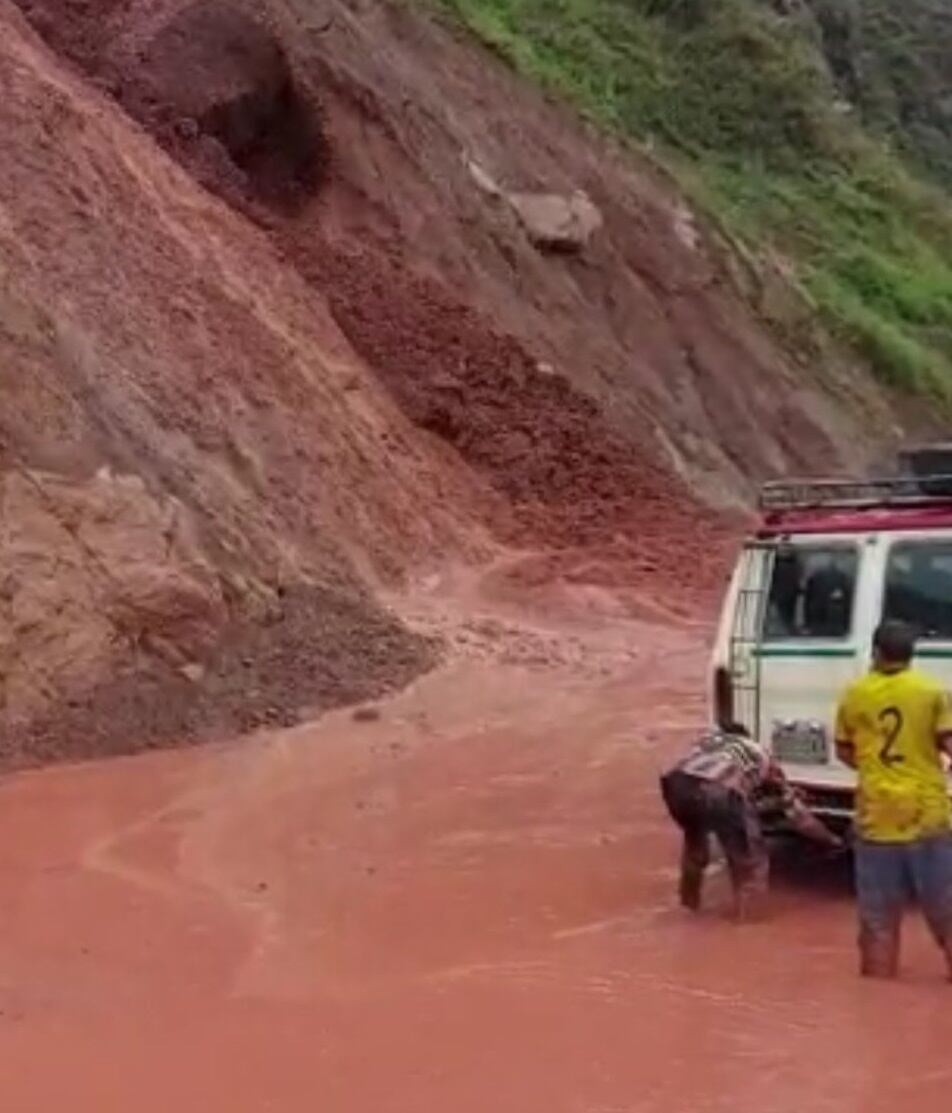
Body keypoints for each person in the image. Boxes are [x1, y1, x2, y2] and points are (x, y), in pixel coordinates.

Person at [835, 620, 952, 979]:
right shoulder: (932, 692)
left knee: (877, 920)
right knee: (945, 908)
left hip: (876, 817)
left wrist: (873, 770)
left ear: (876, 652)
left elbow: (843, 750)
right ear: (911, 655)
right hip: (927, 814)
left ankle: (877, 991)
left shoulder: (855, 693)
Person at [660, 724, 843, 920]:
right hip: (721, 787)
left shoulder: (708, 741)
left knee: (694, 843)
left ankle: (688, 905)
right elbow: (799, 816)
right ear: (749, 737)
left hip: (675, 784)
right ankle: (748, 919)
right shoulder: (759, 752)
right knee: (750, 859)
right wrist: (831, 840)